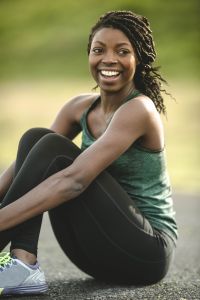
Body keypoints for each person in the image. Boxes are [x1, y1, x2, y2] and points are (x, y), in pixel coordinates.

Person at [0, 10, 178, 296]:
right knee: (35, 138)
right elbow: (24, 167)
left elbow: (74, 181)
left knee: (52, 148)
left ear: (138, 60)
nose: (109, 59)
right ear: (89, 56)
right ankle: (22, 263)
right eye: (99, 50)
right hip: (93, 252)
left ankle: (22, 267)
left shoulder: (139, 109)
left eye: (122, 51)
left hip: (147, 253)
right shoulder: (79, 108)